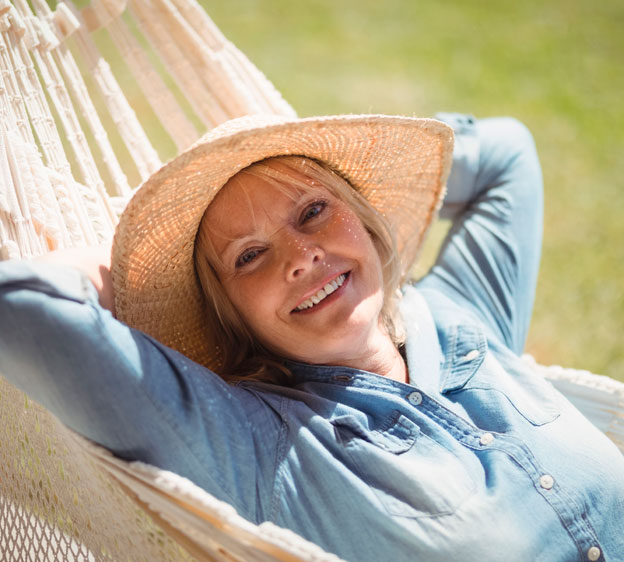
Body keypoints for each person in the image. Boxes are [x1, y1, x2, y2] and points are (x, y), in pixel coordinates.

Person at [0, 113, 622, 562]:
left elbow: (507, 152)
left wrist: (387, 145)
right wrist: (111, 270)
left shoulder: (460, 315)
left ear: (363, 215)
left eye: (315, 211)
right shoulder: (258, 447)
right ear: (231, 317)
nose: (301, 256)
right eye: (249, 257)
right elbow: (21, 308)